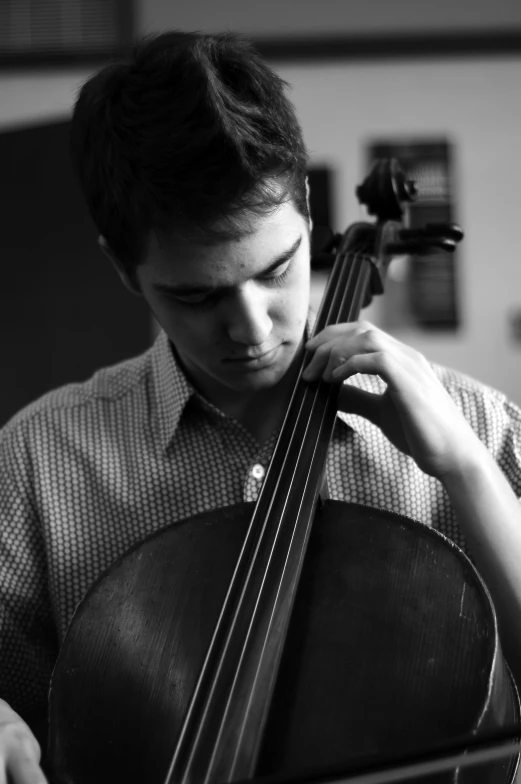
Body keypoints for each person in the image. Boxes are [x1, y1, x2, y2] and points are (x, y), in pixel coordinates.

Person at [1, 29, 521, 784]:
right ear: (122, 266)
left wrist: (469, 472)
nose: (249, 328)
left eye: (276, 271)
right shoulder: (35, 462)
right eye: (196, 295)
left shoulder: (476, 423)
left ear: (308, 210)